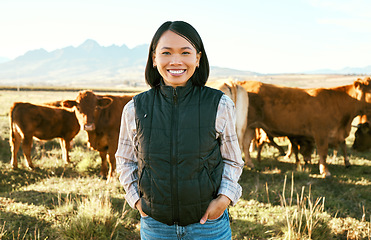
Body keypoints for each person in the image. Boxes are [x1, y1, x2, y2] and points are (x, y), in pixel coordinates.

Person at [115, 20, 244, 239]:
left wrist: (224, 200)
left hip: (208, 226)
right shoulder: (135, 108)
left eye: (185, 52)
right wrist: (136, 200)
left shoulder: (219, 104)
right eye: (166, 53)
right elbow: (125, 160)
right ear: (154, 59)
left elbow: (233, 160)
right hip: (156, 226)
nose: (176, 61)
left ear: (198, 58)